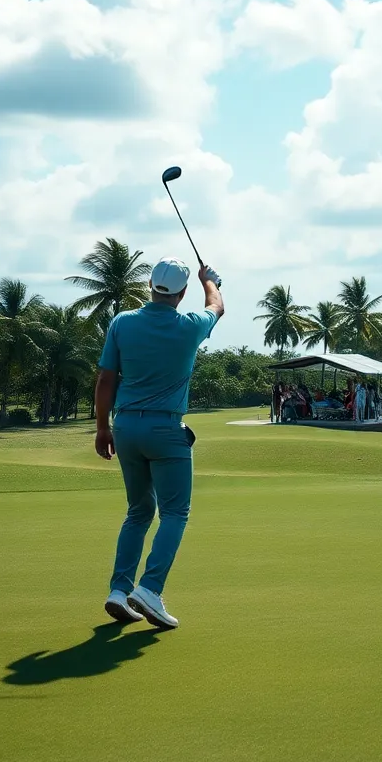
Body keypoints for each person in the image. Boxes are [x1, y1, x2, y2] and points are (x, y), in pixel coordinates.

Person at [95, 256, 223, 629]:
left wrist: (102, 429)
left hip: (125, 427)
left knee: (138, 511)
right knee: (175, 513)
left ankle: (119, 591)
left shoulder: (122, 322)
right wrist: (209, 281)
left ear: (150, 286)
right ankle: (149, 588)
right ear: (182, 292)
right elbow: (217, 306)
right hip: (167, 431)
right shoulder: (190, 326)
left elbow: (106, 380)